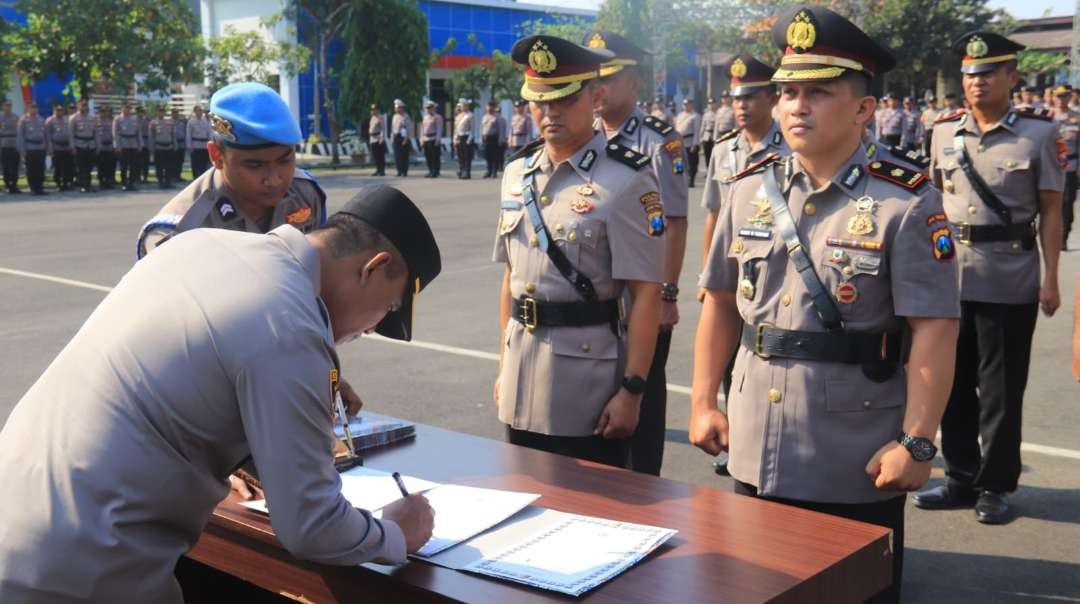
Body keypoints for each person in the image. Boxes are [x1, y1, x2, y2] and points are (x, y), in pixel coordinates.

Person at [0, 184, 441, 603]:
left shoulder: (202, 245)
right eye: (385, 311)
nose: (367, 331)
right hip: (81, 566)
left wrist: (252, 455)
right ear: (373, 267)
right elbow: (311, 525)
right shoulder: (290, 321)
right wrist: (397, 533)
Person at [690, 7, 961, 602]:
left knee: (852, 592)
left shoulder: (907, 202)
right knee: (754, 586)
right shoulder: (746, 190)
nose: (795, 106)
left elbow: (936, 330)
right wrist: (704, 400)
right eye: (787, 91)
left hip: (856, 454)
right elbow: (720, 303)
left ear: (864, 108)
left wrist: (917, 441)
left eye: (818, 92)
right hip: (756, 438)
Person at [494, 34, 664, 469]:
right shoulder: (517, 173)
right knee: (523, 504)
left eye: (563, 100)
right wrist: (503, 364)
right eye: (539, 101)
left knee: (593, 515)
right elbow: (510, 279)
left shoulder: (626, 179)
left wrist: (632, 390)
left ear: (596, 96)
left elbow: (646, 294)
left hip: (587, 386)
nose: (549, 113)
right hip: (522, 372)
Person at [916, 32, 1065, 525]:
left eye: (987, 73)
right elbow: (930, 209)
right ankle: (961, 476)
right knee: (951, 382)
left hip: (1009, 277)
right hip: (949, 280)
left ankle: (995, 484)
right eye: (969, 75)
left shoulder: (1039, 135)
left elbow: (1050, 210)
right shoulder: (942, 132)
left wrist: (1051, 278)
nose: (976, 83)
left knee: (1001, 387)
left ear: (1011, 78)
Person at [584, 29, 689, 476]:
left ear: (636, 84)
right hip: (599, 291)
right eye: (595, 78)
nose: (600, 87)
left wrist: (666, 292)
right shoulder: (583, 134)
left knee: (643, 387)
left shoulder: (658, 141)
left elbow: (675, 220)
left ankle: (646, 484)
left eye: (611, 76)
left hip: (642, 292)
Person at [136, 82, 327, 261]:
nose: (274, 180)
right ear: (217, 156)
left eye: (285, 160)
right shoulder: (181, 229)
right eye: (255, 165)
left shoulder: (305, 194)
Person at [700, 54, 790, 303]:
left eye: (749, 97)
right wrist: (707, 274)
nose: (741, 105)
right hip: (728, 267)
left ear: (773, 99)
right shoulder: (722, 150)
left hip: (774, 266)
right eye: (736, 98)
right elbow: (714, 215)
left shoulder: (791, 150)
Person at [1050, 84, 1079, 249]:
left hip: (1070, 167)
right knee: (1049, 204)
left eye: (1065, 96)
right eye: (1058, 96)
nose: (1061, 99)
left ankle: (1063, 238)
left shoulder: (1077, 117)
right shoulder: (1047, 117)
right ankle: (1050, 237)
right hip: (1050, 167)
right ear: (1054, 97)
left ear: (1069, 97)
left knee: (1068, 204)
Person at [17, 101, 47, 195]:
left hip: (40, 147)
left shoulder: (41, 119)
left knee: (40, 168)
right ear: (28, 108)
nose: (34, 109)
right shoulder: (23, 120)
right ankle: (33, 187)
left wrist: (46, 146)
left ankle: (40, 187)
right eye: (32, 107)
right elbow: (20, 136)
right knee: (31, 169)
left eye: (35, 107)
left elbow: (45, 135)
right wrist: (22, 150)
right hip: (29, 147)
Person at [69, 99, 98, 193]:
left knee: (89, 166)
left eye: (85, 105)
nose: (84, 107)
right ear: (78, 106)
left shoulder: (92, 118)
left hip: (90, 145)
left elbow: (95, 133)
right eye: (82, 105)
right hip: (79, 144)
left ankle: (88, 184)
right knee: (82, 167)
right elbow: (71, 134)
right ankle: (84, 185)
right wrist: (72, 147)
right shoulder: (73, 118)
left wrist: (97, 145)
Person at [114, 103, 143, 191]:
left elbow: (138, 133)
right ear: (121, 108)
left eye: (129, 108)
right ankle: (124, 183)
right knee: (123, 166)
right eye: (126, 108)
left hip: (133, 144)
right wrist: (117, 145)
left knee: (133, 165)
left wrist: (140, 144)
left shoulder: (134, 119)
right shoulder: (118, 119)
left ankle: (131, 183)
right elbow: (115, 133)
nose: (127, 110)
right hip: (123, 144)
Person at [45, 103, 74, 191]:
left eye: (61, 110)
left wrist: (72, 146)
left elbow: (70, 134)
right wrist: (50, 148)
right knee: (58, 166)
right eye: (58, 110)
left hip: (66, 147)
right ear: (54, 110)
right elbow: (48, 135)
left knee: (67, 166)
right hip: (56, 147)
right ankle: (58, 183)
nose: (59, 112)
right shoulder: (50, 121)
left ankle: (66, 183)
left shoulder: (66, 120)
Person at [675, 98, 702, 187]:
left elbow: (697, 131)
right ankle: (678, 178)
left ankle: (691, 179)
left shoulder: (695, 116)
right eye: (685, 105)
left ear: (691, 105)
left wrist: (695, 144)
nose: (686, 106)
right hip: (678, 141)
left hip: (689, 142)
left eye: (688, 104)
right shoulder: (680, 115)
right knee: (678, 161)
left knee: (691, 163)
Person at [149, 106, 176, 189]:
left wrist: (175, 145)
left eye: (163, 111)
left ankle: (168, 182)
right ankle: (160, 182)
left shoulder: (169, 122)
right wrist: (151, 148)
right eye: (160, 111)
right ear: (156, 112)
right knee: (159, 166)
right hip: (159, 147)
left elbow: (173, 135)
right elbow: (151, 136)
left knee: (169, 166)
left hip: (168, 147)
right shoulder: (153, 123)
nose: (161, 113)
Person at [187, 104, 212, 178]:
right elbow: (188, 135)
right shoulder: (191, 122)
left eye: (201, 111)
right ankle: (195, 178)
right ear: (195, 111)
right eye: (199, 110)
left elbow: (209, 134)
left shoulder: (206, 121)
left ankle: (202, 179)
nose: (200, 112)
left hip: (204, 146)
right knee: (195, 164)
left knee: (203, 164)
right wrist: (189, 146)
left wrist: (209, 145)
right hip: (195, 145)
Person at [95, 104, 117, 190]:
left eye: (105, 111)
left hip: (110, 146)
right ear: (99, 112)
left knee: (110, 165)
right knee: (101, 165)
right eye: (102, 111)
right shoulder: (95, 121)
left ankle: (109, 181)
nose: (104, 113)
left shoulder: (111, 121)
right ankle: (102, 181)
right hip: (100, 146)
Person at [419, 100, 443, 178]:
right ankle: (430, 170)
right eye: (428, 108)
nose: (429, 109)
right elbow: (422, 128)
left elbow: (439, 128)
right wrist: (421, 139)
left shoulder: (437, 117)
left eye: (430, 108)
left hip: (434, 138)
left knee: (435, 156)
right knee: (428, 156)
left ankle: (435, 171)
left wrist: (438, 139)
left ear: (434, 108)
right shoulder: (425, 117)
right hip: (426, 138)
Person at [1, 100, 20, 194]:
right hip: (3, 144)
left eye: (10, 105)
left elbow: (19, 131)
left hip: (14, 144)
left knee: (15, 166)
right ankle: (7, 184)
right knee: (6, 166)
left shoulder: (15, 117)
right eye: (6, 105)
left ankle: (14, 185)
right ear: (3, 106)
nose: (8, 107)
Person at [391, 99, 412, 177]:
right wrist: (392, 138)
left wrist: (406, 139)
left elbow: (408, 129)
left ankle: (404, 171)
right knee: (397, 155)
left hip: (403, 137)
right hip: (396, 137)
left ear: (401, 108)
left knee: (404, 155)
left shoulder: (406, 116)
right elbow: (393, 129)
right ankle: (399, 171)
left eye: (397, 107)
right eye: (395, 107)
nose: (396, 109)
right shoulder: (395, 116)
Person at [454, 99, 475, 179]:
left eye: (464, 105)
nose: (463, 107)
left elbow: (472, 129)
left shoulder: (470, 115)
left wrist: (470, 138)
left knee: (467, 156)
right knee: (460, 156)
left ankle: (467, 172)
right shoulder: (458, 116)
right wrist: (455, 138)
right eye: (462, 106)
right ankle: (461, 170)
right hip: (459, 137)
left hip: (466, 137)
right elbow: (456, 129)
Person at [481, 100, 502, 178]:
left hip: (494, 138)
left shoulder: (497, 117)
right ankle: (488, 170)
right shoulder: (484, 117)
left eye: (491, 106)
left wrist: (500, 139)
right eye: (488, 106)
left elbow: (500, 129)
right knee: (487, 155)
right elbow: (482, 128)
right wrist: (481, 137)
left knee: (494, 155)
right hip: (486, 138)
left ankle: (494, 171)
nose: (489, 108)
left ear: (493, 107)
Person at [368, 103, 387, 176]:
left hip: (378, 138)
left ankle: (382, 170)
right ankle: (377, 169)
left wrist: (382, 138)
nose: (373, 111)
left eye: (374, 109)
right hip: (372, 138)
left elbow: (382, 129)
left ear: (378, 110)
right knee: (375, 156)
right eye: (372, 109)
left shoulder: (380, 117)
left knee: (380, 156)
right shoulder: (372, 118)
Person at [700, 97, 718, 167]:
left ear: (716, 104)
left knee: (715, 155)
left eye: (713, 104)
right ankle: (708, 170)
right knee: (707, 156)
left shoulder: (718, 113)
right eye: (710, 104)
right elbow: (703, 127)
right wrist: (701, 138)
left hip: (715, 136)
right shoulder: (706, 115)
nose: (711, 105)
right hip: (706, 136)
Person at [172, 107, 188, 183]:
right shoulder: (169, 122)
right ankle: (173, 176)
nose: (175, 114)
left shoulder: (181, 122)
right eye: (174, 112)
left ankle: (178, 176)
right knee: (173, 161)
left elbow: (185, 133)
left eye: (176, 113)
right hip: (172, 144)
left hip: (181, 143)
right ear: (172, 114)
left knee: (180, 161)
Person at [137, 105, 151, 183]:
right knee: (138, 162)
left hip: (146, 142)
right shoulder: (135, 120)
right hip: (138, 143)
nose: (142, 113)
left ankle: (145, 177)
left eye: (143, 111)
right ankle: (137, 177)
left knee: (146, 162)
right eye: (141, 111)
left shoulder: (147, 120)